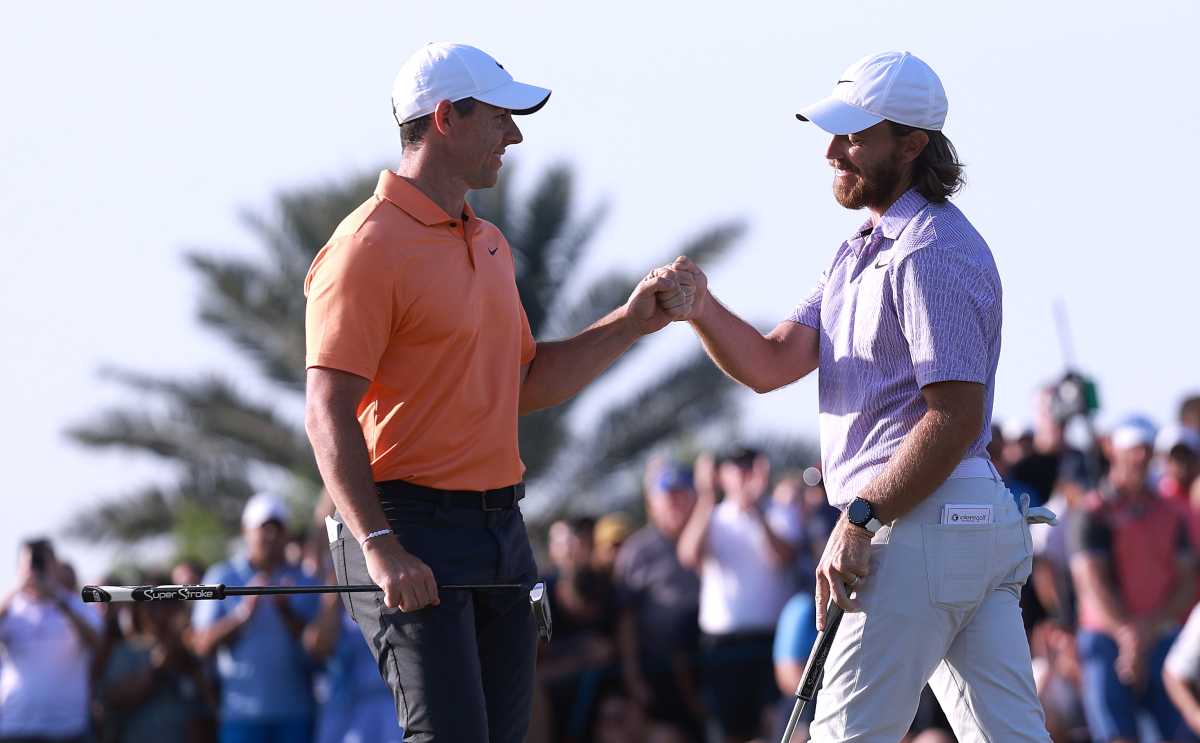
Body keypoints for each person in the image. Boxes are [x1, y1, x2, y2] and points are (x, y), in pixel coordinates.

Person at [303, 42, 694, 743]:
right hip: (404, 523)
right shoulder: (365, 245)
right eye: (500, 119)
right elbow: (325, 407)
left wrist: (631, 324)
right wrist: (381, 545)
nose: (514, 136)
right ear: (447, 117)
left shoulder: (489, 244)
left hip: (500, 532)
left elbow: (525, 382)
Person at [669, 51, 1051, 741]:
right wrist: (701, 307)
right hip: (951, 526)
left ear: (912, 144)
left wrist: (863, 518)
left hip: (919, 524)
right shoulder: (859, 250)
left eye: (853, 136)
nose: (832, 151)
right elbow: (770, 360)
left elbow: (954, 415)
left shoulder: (929, 250)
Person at [1070, 421, 1197, 743]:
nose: (1141, 458)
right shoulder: (1093, 511)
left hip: (1159, 637)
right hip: (1105, 639)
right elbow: (1090, 581)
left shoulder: (1170, 513)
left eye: (1146, 451)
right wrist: (1128, 635)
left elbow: (1186, 581)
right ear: (1114, 451)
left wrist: (1145, 632)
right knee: (1116, 734)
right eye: (1134, 450)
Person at [677, 447, 801, 743]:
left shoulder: (779, 512)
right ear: (722, 476)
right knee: (730, 733)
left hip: (772, 642)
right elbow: (688, 555)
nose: (743, 474)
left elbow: (784, 556)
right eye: (736, 467)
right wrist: (705, 497)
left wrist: (756, 510)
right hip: (723, 647)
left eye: (749, 467)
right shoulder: (713, 517)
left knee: (780, 730)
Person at [192, 492, 322, 743]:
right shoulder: (223, 576)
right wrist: (243, 614)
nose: (271, 536)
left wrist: (286, 611)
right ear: (245, 531)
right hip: (241, 716)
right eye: (263, 528)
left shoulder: (305, 579)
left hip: (296, 714)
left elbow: (320, 648)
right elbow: (200, 643)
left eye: (277, 528)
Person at [613, 461, 704, 740]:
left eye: (683, 493)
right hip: (661, 674)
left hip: (711, 664)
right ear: (651, 501)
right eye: (668, 495)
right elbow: (625, 619)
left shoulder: (714, 536)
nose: (676, 503)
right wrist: (633, 677)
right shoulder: (636, 551)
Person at [0, 539, 102, 743]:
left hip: (66, 728)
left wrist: (58, 601)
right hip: (15, 726)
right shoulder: (9, 608)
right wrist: (14, 592)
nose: (36, 570)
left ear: (54, 566)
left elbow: (95, 641)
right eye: (31, 564)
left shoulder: (76, 605)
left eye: (41, 563)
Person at [95, 581, 217, 743]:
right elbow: (113, 700)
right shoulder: (128, 652)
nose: (164, 614)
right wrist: (156, 667)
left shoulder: (191, 654)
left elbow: (207, 707)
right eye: (156, 606)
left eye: (171, 606)